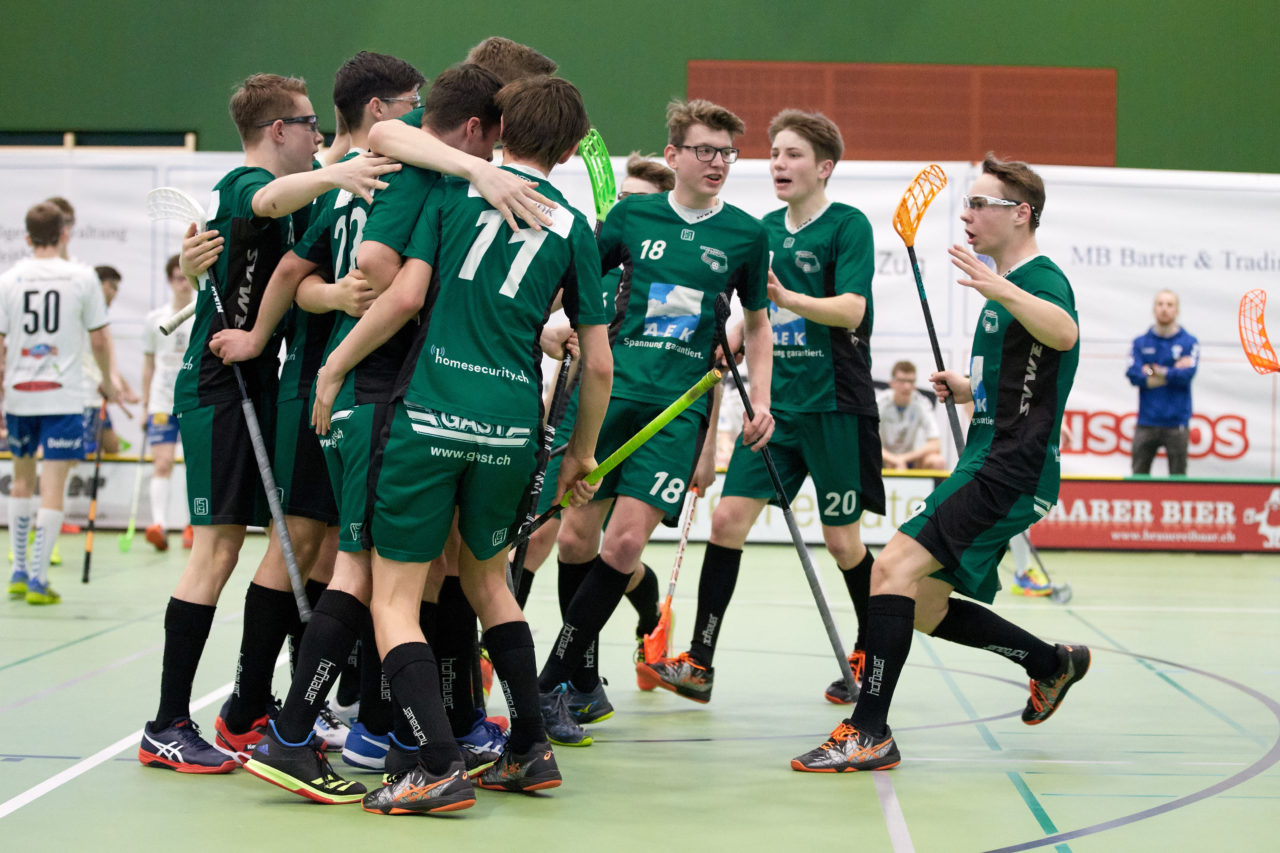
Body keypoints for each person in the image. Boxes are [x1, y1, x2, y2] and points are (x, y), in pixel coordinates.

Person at [215, 58, 527, 803]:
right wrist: (332, 331)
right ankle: (309, 727)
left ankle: (347, 727)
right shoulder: (410, 164)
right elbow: (381, 273)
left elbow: (303, 268)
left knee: (361, 564)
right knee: (361, 570)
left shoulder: (386, 162)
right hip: (377, 391)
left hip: (375, 389)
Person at [312, 74, 611, 812]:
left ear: (497, 128)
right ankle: (530, 749)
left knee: (395, 599)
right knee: (488, 584)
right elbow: (596, 361)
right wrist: (580, 454)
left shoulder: (449, 192)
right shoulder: (576, 228)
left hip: (429, 413)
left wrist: (334, 365)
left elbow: (406, 295)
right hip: (511, 426)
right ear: (573, 149)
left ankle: (438, 765)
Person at [137, 71, 399, 775]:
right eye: (308, 123)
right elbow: (270, 196)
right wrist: (337, 172)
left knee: (274, 547)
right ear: (276, 130)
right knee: (214, 551)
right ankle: (165, 722)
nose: (318, 134)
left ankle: (250, 708)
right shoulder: (241, 185)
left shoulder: (303, 189)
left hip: (258, 382)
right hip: (218, 386)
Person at [793, 153, 1088, 772]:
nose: (968, 214)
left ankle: (869, 730)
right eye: (968, 203)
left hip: (1012, 468)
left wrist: (1001, 287)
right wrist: (970, 388)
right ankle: (1048, 663)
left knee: (891, 567)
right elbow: (1026, 379)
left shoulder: (1038, 278)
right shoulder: (1001, 289)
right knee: (921, 604)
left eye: (982, 204)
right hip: (988, 457)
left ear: (1022, 213)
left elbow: (1062, 334)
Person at [538, 98, 773, 747]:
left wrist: (763, 399)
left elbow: (756, 325)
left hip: (677, 410)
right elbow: (576, 280)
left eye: (726, 151)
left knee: (622, 546)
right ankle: (581, 681)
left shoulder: (748, 235)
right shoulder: (632, 216)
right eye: (705, 149)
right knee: (573, 541)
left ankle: (548, 681)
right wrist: (547, 322)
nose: (718, 162)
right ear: (673, 156)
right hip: (608, 394)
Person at [638, 109, 884, 707]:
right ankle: (700, 661)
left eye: (794, 154)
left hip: (834, 405)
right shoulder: (762, 230)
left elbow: (852, 310)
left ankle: (872, 650)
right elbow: (753, 318)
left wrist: (784, 296)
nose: (779, 163)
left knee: (844, 542)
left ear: (824, 168)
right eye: (774, 153)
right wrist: (727, 341)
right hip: (773, 411)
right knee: (727, 522)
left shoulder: (848, 226)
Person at [514, 152, 676, 701]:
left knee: (618, 546)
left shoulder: (673, 269)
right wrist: (547, 335)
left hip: (649, 415)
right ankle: (579, 678)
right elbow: (532, 306)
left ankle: (642, 608)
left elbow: (704, 355)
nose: (624, 210)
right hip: (583, 412)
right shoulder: (592, 250)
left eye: (639, 202)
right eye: (621, 199)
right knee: (561, 537)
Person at [2, 202, 120, 605]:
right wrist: (107, 382)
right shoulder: (81, 276)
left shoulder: (10, 278)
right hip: (63, 394)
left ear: (27, 237)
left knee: (21, 481)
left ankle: (18, 570)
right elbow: (100, 339)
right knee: (53, 486)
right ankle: (37, 579)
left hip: (20, 394)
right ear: (65, 233)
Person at [141, 255, 195, 551]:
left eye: (186, 276)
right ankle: (159, 525)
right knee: (161, 462)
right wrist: (144, 405)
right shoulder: (154, 319)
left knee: (192, 464)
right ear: (169, 281)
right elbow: (148, 365)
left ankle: (192, 525)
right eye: (176, 278)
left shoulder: (201, 312)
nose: (182, 283)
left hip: (191, 400)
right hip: (161, 401)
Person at [1126, 289, 1198, 476]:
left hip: (1177, 423)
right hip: (1147, 421)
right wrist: (1171, 370)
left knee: (1178, 481)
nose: (1164, 309)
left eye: (1169, 304)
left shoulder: (1189, 342)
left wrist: (1154, 371)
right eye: (1160, 304)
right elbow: (1134, 375)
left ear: (1177, 310)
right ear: (1154, 309)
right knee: (1138, 479)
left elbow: (1187, 375)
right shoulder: (1140, 343)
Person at [878, 359, 946, 471]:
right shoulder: (880, 402)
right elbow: (868, 441)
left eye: (911, 381)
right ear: (892, 383)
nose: (907, 386)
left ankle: (939, 490)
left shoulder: (921, 403)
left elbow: (935, 445)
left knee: (938, 462)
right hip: (883, 460)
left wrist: (903, 458)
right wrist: (893, 460)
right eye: (902, 381)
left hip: (910, 461)